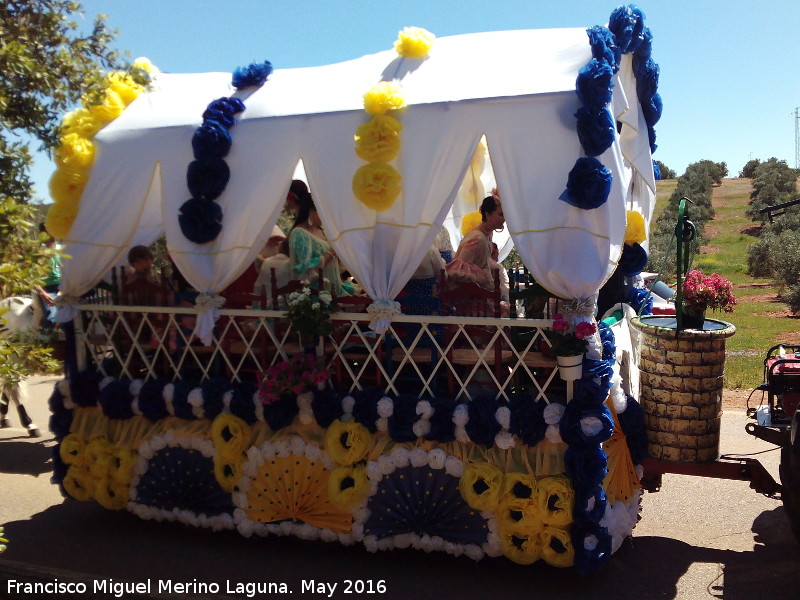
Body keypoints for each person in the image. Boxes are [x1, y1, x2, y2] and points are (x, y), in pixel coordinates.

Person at [287, 186, 353, 297]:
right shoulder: (299, 233)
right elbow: (306, 268)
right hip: (314, 293)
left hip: (330, 287)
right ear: (311, 211)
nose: (325, 219)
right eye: (322, 213)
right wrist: (333, 252)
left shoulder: (319, 231)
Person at [445, 195, 505, 291]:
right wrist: (482, 276)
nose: (504, 218)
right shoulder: (477, 238)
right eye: (501, 214)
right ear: (488, 214)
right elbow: (458, 270)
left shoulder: (488, 234)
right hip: (471, 297)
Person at [33, 223, 61, 327]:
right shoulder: (37, 252)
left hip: (64, 288)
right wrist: (43, 294)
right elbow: (32, 277)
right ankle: (47, 340)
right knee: (52, 318)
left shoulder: (61, 249)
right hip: (48, 290)